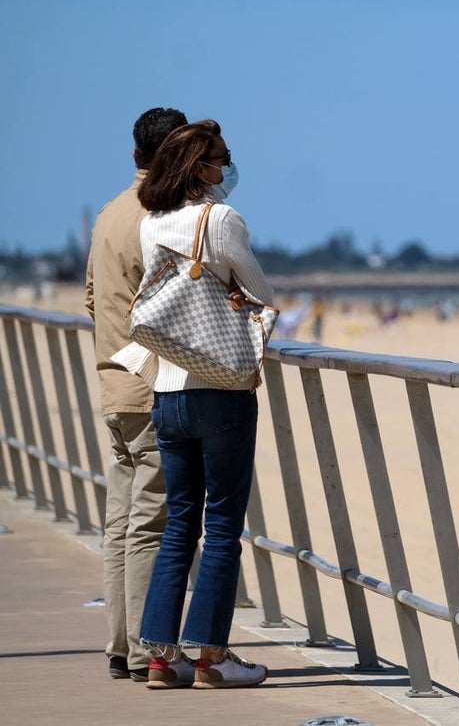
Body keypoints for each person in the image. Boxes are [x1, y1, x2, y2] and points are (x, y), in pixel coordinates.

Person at [134, 119, 275, 689]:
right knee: (221, 526)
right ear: (203, 168)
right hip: (221, 388)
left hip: (167, 390)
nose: (229, 167)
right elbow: (262, 295)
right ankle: (212, 657)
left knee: (177, 526)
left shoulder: (154, 223)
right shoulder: (222, 219)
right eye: (223, 158)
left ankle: (162, 659)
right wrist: (240, 296)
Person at [85, 106, 187, 682]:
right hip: (155, 389)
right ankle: (152, 650)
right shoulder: (165, 218)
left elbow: (94, 300)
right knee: (152, 521)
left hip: (113, 385)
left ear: (134, 155)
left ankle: (120, 644)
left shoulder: (108, 214)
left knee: (121, 521)